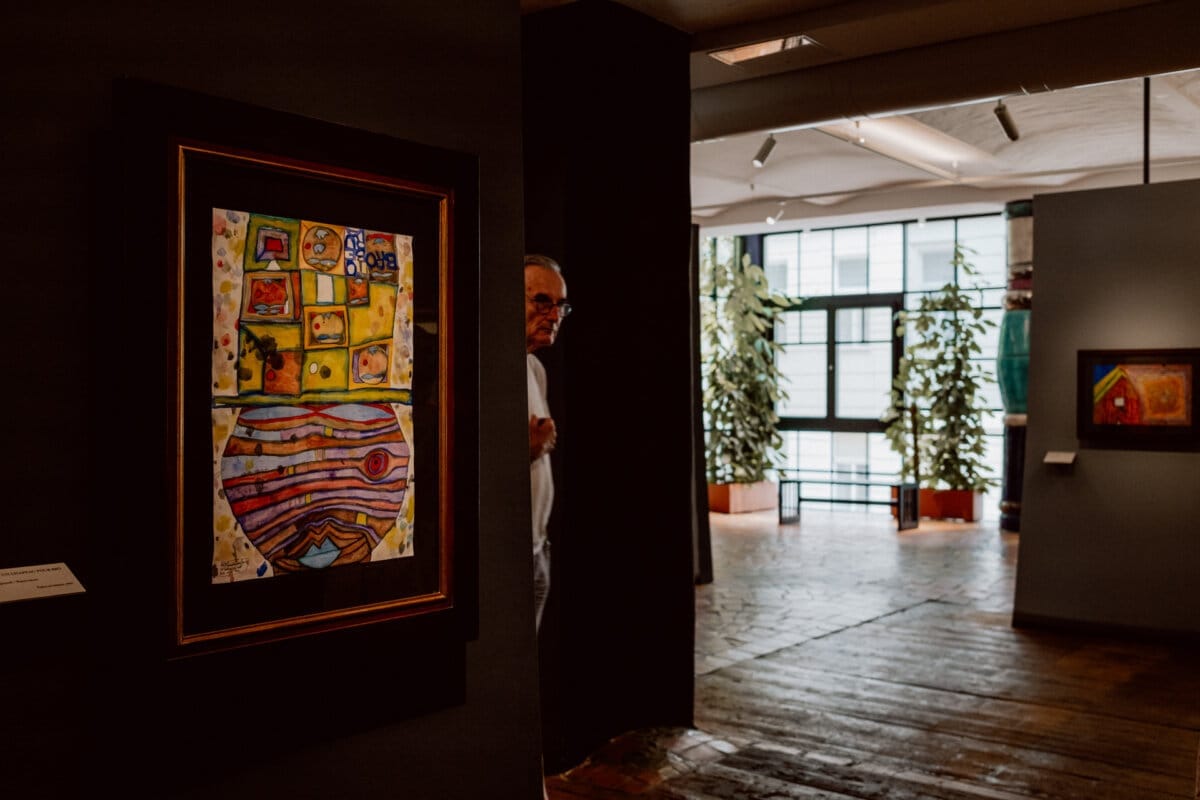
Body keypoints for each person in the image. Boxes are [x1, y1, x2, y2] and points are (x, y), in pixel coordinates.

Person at [525, 253, 570, 633]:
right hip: (504, 559)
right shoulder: (482, 368)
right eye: (542, 301)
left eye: (560, 305)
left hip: (539, 550)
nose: (554, 316)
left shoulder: (535, 369)